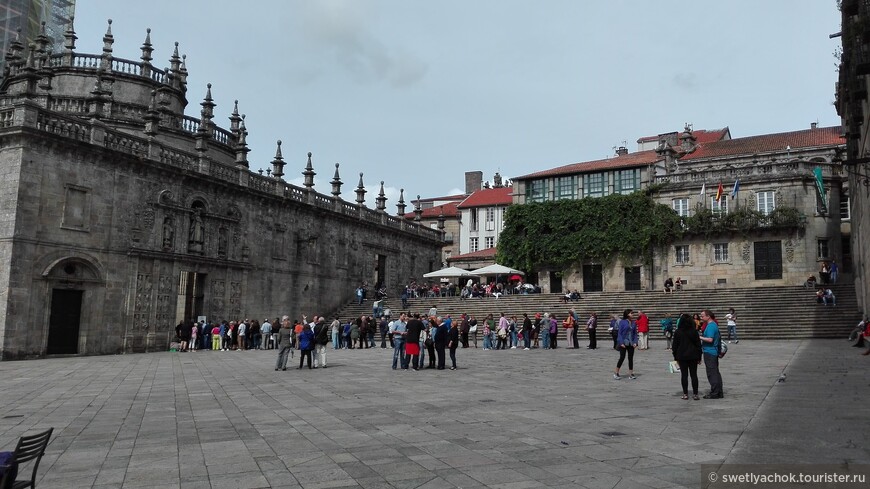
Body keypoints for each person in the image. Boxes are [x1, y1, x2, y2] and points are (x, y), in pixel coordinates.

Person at [671, 313, 702, 400]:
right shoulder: (694, 331)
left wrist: (675, 357)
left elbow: (674, 346)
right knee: (694, 375)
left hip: (682, 356)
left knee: (684, 375)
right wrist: (699, 357)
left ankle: (685, 394)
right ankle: (695, 394)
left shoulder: (678, 332)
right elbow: (698, 345)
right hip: (693, 355)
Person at [699, 309, 724, 398]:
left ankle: (715, 392)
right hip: (712, 352)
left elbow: (710, 339)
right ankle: (718, 391)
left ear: (708, 316)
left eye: (702, 316)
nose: (701, 317)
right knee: (715, 372)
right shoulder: (713, 325)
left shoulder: (711, 326)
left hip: (710, 352)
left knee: (712, 373)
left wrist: (700, 337)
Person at [613, 309, 638, 380]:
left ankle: (631, 373)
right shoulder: (622, 322)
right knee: (622, 357)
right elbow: (620, 333)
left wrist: (635, 342)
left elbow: (635, 334)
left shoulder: (633, 322)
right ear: (627, 314)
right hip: (624, 342)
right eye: (631, 313)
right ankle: (616, 372)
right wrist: (621, 342)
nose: (633, 314)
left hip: (631, 343)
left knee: (630, 358)